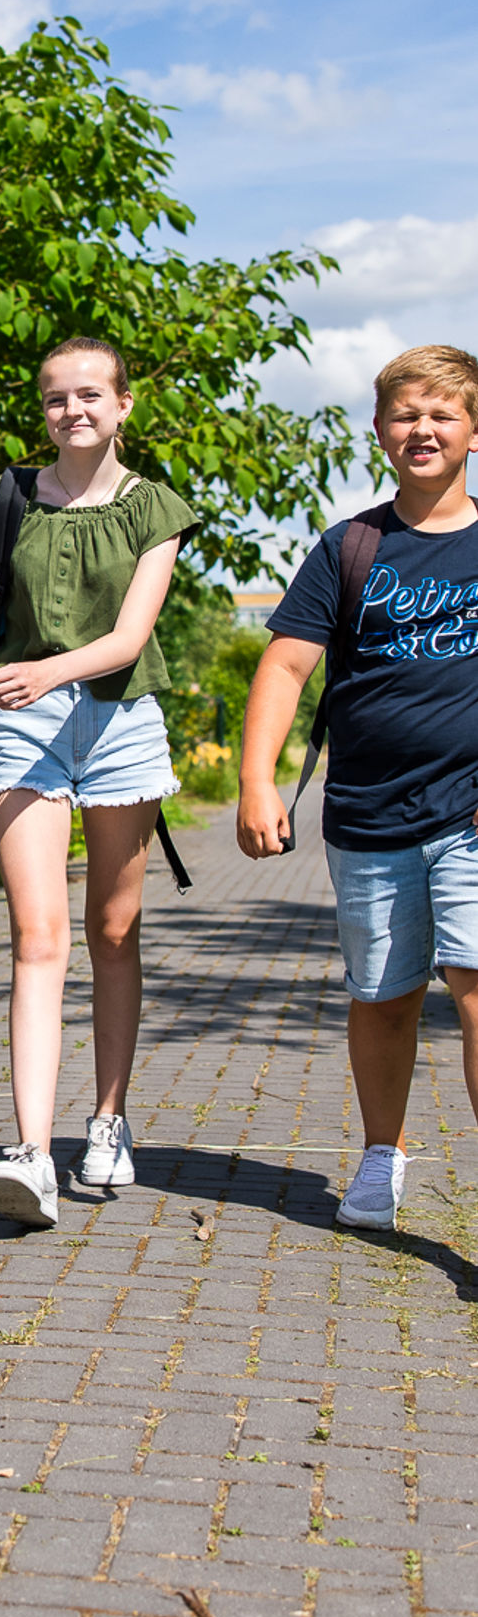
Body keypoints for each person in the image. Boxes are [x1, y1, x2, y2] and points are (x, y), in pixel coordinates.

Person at [0, 338, 196, 1229]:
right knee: (37, 938)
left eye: (89, 395)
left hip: (121, 719)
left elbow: (128, 638)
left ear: (123, 406)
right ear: (41, 410)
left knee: (112, 930)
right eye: (55, 398)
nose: (72, 410)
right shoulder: (7, 499)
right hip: (22, 724)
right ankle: (31, 1152)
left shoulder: (155, 507)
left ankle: (109, 1119)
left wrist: (47, 673)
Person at [238, 344, 478, 1231]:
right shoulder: (350, 547)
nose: (423, 428)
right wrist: (257, 780)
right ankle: (384, 1155)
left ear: (474, 431)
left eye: (442, 414)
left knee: (477, 982)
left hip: (472, 813)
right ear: (379, 431)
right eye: (406, 414)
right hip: (369, 814)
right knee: (383, 998)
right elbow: (288, 664)